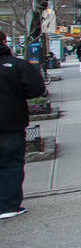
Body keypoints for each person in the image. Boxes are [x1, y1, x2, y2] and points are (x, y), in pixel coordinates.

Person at [0, 31, 46, 219]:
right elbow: (36, 89)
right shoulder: (16, 65)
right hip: (11, 123)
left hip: (12, 122)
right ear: (4, 42)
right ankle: (8, 206)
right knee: (11, 163)